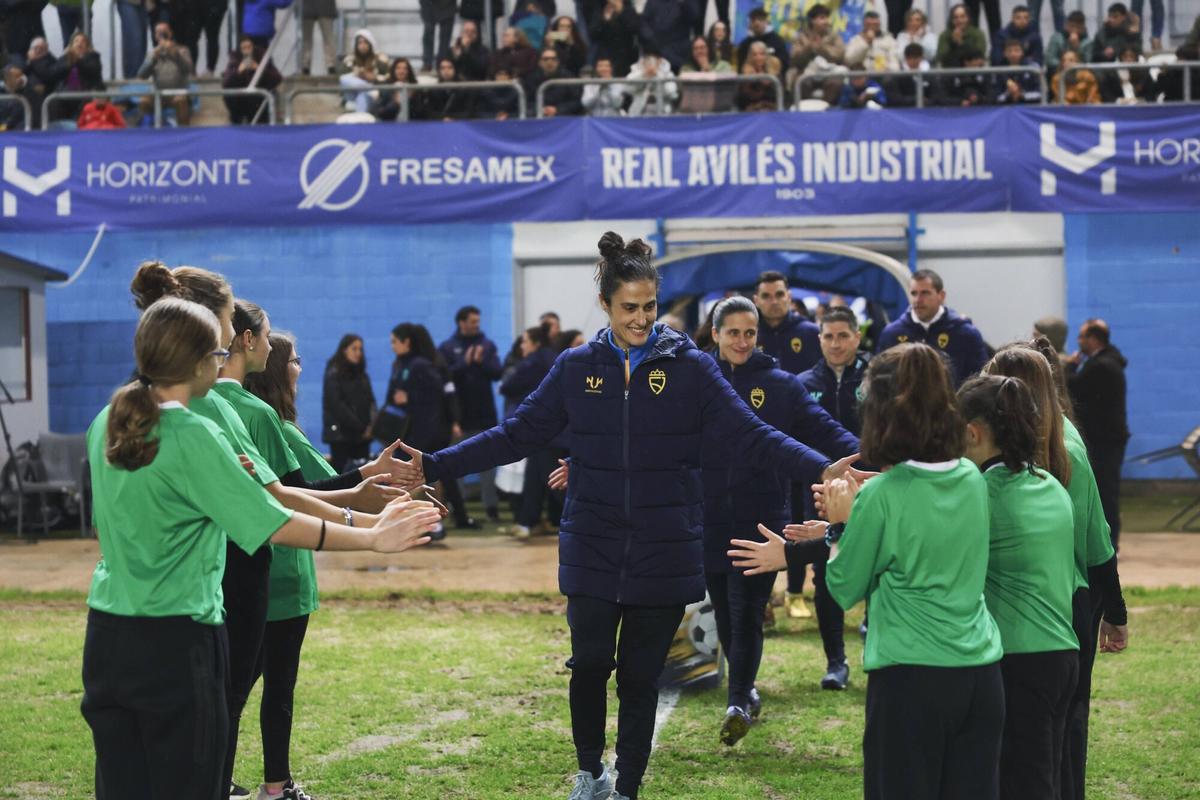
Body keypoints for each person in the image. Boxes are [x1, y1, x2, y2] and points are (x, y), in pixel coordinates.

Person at [391, 232, 859, 800]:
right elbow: (516, 434)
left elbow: (754, 435)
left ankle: (628, 786)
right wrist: (437, 463)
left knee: (640, 678)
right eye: (629, 308)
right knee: (589, 664)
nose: (641, 319)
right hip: (592, 540)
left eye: (650, 307)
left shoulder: (691, 369)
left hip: (666, 546)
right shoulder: (575, 367)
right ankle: (590, 771)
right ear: (607, 306)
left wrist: (827, 471)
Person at [80, 297, 438, 800]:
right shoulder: (193, 430)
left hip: (107, 638)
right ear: (202, 362)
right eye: (218, 351)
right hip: (174, 641)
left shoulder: (106, 423)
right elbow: (270, 519)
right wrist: (372, 536)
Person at [731, 343, 1004, 800]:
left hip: (912, 680)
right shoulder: (972, 477)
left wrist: (841, 523)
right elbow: (917, 515)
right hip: (980, 674)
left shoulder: (882, 498)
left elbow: (843, 586)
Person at [702, 297, 858, 742]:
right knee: (726, 615)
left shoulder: (781, 386)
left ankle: (737, 698)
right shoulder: (695, 382)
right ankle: (745, 689)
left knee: (747, 609)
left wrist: (869, 456)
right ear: (715, 334)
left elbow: (825, 428)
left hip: (761, 520)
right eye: (732, 332)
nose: (742, 341)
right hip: (709, 517)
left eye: (749, 333)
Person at [982, 341, 1129, 800]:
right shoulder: (1027, 447)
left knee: (1056, 738)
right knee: (1041, 741)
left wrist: (1115, 610)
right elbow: (1097, 540)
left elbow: (1095, 540)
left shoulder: (1061, 448)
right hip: (1044, 611)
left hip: (1057, 609)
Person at [959, 374, 1080, 799]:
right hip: (1062, 656)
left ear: (972, 433)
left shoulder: (981, 492)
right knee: (1042, 779)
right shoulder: (1050, 484)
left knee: (1021, 785)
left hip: (1019, 661)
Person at [244, 333, 335, 800]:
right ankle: (276, 787)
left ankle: (218, 774)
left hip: (249, 569)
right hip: (281, 571)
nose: (300, 366)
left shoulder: (241, 416)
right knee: (275, 687)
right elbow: (312, 491)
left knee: (235, 684)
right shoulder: (273, 423)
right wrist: (376, 489)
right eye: (295, 359)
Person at [797, 306, 868, 688]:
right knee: (825, 574)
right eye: (828, 336)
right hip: (822, 492)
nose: (836, 343)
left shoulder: (877, 378)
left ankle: (876, 632)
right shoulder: (803, 384)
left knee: (880, 562)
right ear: (818, 339)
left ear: (857, 337)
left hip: (872, 487)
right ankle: (835, 662)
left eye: (843, 335)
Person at [388, 322, 468, 534]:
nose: (392, 346)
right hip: (410, 432)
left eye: (395, 342)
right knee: (419, 478)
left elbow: (437, 396)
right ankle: (429, 522)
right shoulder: (402, 365)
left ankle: (434, 522)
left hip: (423, 433)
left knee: (428, 477)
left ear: (407, 342)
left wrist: (409, 398)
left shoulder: (420, 365)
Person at [1066, 320, 1129, 549]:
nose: (1078, 342)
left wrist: (1070, 367)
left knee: (1106, 493)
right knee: (1105, 492)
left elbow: (1075, 387)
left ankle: (1111, 544)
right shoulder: (1109, 360)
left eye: (1082, 337)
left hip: (1106, 441)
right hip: (1109, 438)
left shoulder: (1100, 366)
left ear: (1093, 339)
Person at [438, 305, 504, 522]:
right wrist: (464, 363)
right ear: (462, 322)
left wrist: (481, 361)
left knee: (488, 465)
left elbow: (497, 372)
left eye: (478, 321)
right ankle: (459, 509)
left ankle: (492, 508)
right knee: (457, 465)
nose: (477, 325)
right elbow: (444, 376)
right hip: (460, 419)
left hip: (485, 416)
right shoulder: (448, 347)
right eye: (473, 321)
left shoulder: (487, 345)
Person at [500, 324, 565, 538]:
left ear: (535, 343)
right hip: (554, 429)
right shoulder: (554, 357)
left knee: (552, 478)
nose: (522, 345)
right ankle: (529, 521)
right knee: (535, 477)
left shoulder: (534, 361)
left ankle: (584, 520)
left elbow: (507, 386)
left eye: (525, 341)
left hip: (544, 430)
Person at [875, 269, 988, 387]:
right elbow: (879, 380)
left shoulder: (965, 333)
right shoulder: (891, 334)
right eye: (914, 293)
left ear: (941, 295)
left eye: (925, 293)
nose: (918, 300)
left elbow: (981, 381)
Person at [322, 333, 377, 472]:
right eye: (354, 348)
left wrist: (372, 426)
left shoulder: (363, 375)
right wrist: (361, 428)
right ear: (344, 350)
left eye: (360, 349)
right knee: (342, 479)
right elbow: (338, 406)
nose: (358, 353)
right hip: (341, 437)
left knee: (364, 477)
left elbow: (371, 401)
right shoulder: (333, 374)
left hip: (363, 438)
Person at [137, 22, 194, 126]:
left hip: (178, 92)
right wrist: (153, 59)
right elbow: (141, 75)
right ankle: (146, 132)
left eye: (164, 32)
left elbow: (188, 70)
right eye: (158, 32)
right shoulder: (152, 53)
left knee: (180, 100)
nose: (161, 35)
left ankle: (184, 133)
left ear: (170, 33)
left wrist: (175, 54)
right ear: (155, 36)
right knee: (144, 101)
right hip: (158, 93)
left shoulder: (182, 50)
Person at [787, 4, 845, 100]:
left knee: (836, 82)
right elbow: (794, 58)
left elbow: (839, 55)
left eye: (827, 18)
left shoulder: (833, 36)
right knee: (799, 81)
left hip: (829, 72)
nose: (826, 21)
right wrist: (809, 48)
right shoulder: (802, 37)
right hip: (806, 72)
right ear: (812, 21)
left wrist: (821, 48)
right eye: (822, 18)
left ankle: (826, 109)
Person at [222, 34, 282, 124]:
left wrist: (259, 69)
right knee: (230, 96)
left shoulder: (261, 57)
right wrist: (238, 71)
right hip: (240, 100)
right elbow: (226, 83)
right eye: (244, 48)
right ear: (240, 50)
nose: (247, 51)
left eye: (249, 47)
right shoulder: (235, 59)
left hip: (259, 99)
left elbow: (277, 78)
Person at [47, 31, 103, 121]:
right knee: (53, 102)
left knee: (88, 103)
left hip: (85, 93)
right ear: (71, 45)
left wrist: (77, 61)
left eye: (83, 41)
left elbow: (93, 71)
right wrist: (69, 64)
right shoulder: (64, 58)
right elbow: (54, 73)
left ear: (87, 46)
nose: (79, 43)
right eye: (76, 41)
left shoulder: (94, 57)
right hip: (66, 93)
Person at [338, 29, 390, 113]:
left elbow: (388, 79)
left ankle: (368, 90)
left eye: (365, 42)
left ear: (371, 44)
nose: (363, 45)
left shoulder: (380, 60)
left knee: (362, 96)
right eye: (360, 43)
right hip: (352, 96)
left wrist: (374, 78)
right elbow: (344, 82)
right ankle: (369, 89)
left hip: (373, 98)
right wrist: (358, 75)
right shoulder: (349, 60)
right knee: (344, 79)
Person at [640, 0, 695, 73]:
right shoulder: (652, 2)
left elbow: (694, 18)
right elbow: (643, 24)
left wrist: (684, 3)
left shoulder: (684, 2)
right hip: (657, 53)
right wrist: (651, 39)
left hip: (678, 54)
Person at [525, 48, 583, 116]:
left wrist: (558, 109)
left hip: (564, 117)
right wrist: (541, 109)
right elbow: (527, 102)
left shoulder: (568, 77)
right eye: (545, 59)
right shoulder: (531, 79)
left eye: (553, 59)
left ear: (558, 62)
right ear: (539, 62)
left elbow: (577, 101)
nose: (549, 62)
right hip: (539, 117)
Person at [589, 0, 640, 77]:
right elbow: (593, 34)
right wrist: (605, 19)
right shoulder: (600, 9)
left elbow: (635, 28)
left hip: (626, 56)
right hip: (606, 56)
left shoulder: (628, 8)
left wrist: (622, 11)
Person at [625, 49, 678, 116]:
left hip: (662, 113)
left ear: (660, 60)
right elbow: (627, 89)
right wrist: (643, 75)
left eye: (653, 61)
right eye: (648, 60)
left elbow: (672, 93)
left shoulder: (668, 74)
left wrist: (658, 75)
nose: (650, 63)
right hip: (639, 113)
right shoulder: (636, 71)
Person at [993, 39, 1043, 103]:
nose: (1013, 54)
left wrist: (1021, 94)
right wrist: (1008, 93)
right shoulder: (999, 71)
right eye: (1009, 51)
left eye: (1016, 50)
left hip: (1029, 107)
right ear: (1004, 53)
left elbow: (1040, 93)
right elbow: (995, 97)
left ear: (1022, 52)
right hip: (1006, 108)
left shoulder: (1032, 68)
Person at [737, 41, 782, 111]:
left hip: (772, 109)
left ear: (766, 55)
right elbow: (742, 98)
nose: (758, 58)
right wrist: (753, 80)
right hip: (751, 111)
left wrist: (766, 81)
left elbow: (778, 94)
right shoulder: (745, 73)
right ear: (750, 56)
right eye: (755, 54)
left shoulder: (773, 68)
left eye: (762, 54)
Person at [300, 0, 337, 75]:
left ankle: (331, 65)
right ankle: (305, 65)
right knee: (306, 39)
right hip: (308, 7)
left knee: (328, 37)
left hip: (325, 7)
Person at [419, 0, 456, 72]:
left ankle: (441, 63)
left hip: (448, 5)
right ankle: (427, 63)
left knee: (445, 37)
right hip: (429, 4)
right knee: (428, 33)